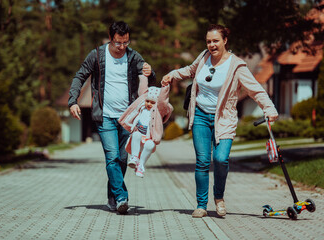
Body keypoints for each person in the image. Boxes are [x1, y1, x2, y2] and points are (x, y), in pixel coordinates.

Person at [162, 24, 278, 218]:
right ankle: (201, 205)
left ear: (225, 41)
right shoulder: (203, 57)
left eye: (216, 40)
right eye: (208, 41)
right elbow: (190, 70)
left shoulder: (237, 66)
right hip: (200, 115)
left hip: (224, 119)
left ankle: (219, 197)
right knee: (202, 161)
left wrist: (269, 108)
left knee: (221, 159)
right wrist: (172, 75)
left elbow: (254, 89)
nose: (212, 45)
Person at [68, 21, 156, 214]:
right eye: (118, 43)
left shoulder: (133, 56)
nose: (122, 47)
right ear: (110, 38)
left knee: (123, 159)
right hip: (105, 116)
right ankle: (122, 197)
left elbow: (150, 79)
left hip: (128, 118)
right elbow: (79, 76)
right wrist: (73, 100)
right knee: (112, 157)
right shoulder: (97, 55)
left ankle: (112, 196)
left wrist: (151, 72)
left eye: (125, 42)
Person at [119, 78, 173, 178]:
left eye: (152, 102)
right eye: (147, 101)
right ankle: (134, 158)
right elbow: (142, 90)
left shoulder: (158, 111)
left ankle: (141, 165)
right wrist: (144, 76)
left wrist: (165, 86)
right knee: (136, 134)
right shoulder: (141, 108)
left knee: (150, 145)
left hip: (148, 137)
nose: (149, 104)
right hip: (138, 136)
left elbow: (163, 101)